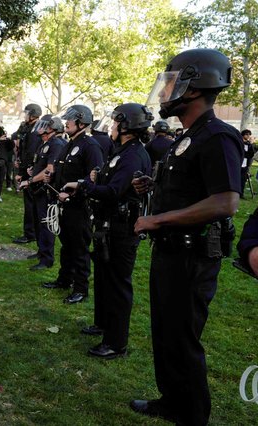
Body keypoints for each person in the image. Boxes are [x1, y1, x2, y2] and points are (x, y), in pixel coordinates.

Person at [132, 48, 242, 425]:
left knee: (183, 338)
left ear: (194, 87)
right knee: (165, 333)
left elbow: (226, 202)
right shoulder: (188, 136)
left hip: (193, 257)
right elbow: (189, 188)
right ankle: (171, 401)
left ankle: (192, 415)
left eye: (172, 84)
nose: (165, 93)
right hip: (170, 252)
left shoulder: (218, 136)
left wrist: (159, 220)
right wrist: (152, 186)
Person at [64, 103, 152, 359]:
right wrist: (94, 178)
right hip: (108, 228)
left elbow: (114, 192)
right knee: (103, 280)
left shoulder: (133, 155)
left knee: (117, 285)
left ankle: (116, 343)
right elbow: (109, 181)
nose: (111, 127)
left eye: (115, 123)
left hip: (122, 230)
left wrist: (83, 187)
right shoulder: (121, 151)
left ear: (126, 126)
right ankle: (102, 324)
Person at [42, 104, 103, 304]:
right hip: (63, 205)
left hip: (79, 207)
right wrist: (51, 178)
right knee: (66, 245)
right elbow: (62, 170)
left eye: (70, 119)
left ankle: (81, 288)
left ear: (82, 123)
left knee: (80, 248)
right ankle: (64, 279)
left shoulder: (90, 145)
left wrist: (72, 193)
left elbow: (93, 176)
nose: (66, 122)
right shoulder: (69, 143)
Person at [20, 116, 65, 271]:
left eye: (45, 126)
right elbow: (41, 163)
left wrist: (30, 180)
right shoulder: (44, 143)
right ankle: (41, 251)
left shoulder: (57, 144)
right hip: (38, 190)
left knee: (46, 225)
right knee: (39, 222)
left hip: (46, 191)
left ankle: (47, 259)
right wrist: (32, 170)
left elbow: (50, 169)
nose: (41, 129)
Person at [13, 103, 43, 244]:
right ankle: (33, 232)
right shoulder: (31, 129)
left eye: (27, 113)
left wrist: (21, 172)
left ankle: (30, 233)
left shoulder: (34, 131)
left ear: (32, 115)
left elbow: (30, 153)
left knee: (30, 204)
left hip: (29, 171)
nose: (25, 116)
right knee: (31, 203)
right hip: (30, 169)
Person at [240, 129, 255, 197]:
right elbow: (241, 153)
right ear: (243, 135)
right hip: (239, 163)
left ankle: (241, 193)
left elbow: (251, 154)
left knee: (243, 179)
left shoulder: (248, 144)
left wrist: (251, 144)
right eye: (246, 134)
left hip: (245, 164)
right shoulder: (240, 142)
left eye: (249, 134)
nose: (248, 136)